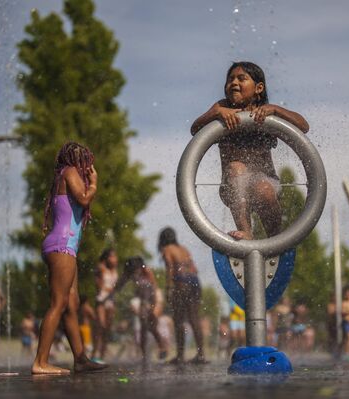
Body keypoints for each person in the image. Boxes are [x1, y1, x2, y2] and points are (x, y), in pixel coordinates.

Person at [190, 61, 309, 240]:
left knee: (263, 189)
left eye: (241, 78)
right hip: (233, 186)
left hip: (266, 181)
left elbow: (303, 126)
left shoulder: (265, 113)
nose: (234, 83)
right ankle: (246, 232)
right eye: (230, 80)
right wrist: (215, 113)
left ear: (259, 88)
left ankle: (276, 240)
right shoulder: (222, 109)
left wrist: (276, 110)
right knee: (237, 168)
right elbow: (195, 130)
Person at [32, 141, 106, 375]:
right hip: (62, 246)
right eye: (86, 163)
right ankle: (40, 363)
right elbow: (84, 199)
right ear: (78, 161)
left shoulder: (63, 175)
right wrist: (94, 184)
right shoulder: (70, 171)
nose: (88, 169)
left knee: (71, 305)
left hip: (65, 247)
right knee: (58, 304)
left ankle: (80, 358)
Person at [158, 227, 207, 364]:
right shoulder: (183, 249)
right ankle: (201, 354)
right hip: (195, 282)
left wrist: (168, 288)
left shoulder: (167, 249)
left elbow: (170, 268)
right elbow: (194, 269)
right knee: (194, 319)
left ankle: (180, 356)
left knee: (179, 320)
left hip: (181, 282)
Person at [115, 256, 168, 361]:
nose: (136, 272)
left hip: (153, 300)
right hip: (142, 301)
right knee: (144, 326)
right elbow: (119, 285)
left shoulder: (146, 270)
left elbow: (154, 287)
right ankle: (145, 354)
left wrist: (156, 305)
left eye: (137, 269)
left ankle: (162, 347)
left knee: (152, 326)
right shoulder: (131, 274)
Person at [92, 248, 119, 362]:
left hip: (111, 302)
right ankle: (94, 354)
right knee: (100, 326)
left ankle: (102, 356)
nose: (115, 259)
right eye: (112, 256)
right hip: (101, 300)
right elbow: (99, 285)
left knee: (107, 329)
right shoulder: (101, 268)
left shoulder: (115, 271)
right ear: (107, 258)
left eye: (115, 257)